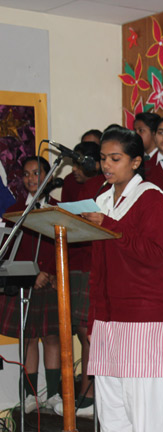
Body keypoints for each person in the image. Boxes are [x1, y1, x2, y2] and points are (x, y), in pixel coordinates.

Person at [82, 127, 163, 432]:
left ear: (136, 162)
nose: (106, 165)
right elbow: (98, 269)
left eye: (115, 159)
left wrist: (110, 225)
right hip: (108, 319)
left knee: (144, 415)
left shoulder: (150, 197)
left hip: (144, 319)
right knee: (111, 414)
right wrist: (93, 319)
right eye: (103, 158)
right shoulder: (102, 201)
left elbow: (155, 255)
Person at [0, 156, 62, 414]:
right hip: (26, 283)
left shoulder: (59, 210)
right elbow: (10, 250)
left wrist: (52, 273)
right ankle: (29, 394)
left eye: (37, 173)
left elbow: (64, 245)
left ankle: (55, 394)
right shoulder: (16, 210)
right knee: (29, 339)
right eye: (26, 174)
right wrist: (31, 275)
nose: (30, 178)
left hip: (51, 283)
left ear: (49, 176)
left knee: (52, 338)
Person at [54, 141, 107, 418]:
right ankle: (85, 391)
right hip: (76, 263)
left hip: (93, 264)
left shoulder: (102, 185)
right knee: (81, 330)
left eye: (80, 163)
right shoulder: (81, 186)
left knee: (88, 332)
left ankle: (89, 393)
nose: (75, 168)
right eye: (73, 163)